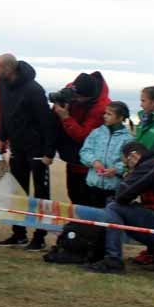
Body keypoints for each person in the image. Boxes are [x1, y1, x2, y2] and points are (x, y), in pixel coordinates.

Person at [87, 142, 154, 274]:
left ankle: (113, 260)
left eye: (126, 164)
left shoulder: (150, 167)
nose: (126, 167)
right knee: (121, 207)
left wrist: (128, 176)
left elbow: (122, 195)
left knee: (113, 207)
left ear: (133, 156)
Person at [0, 53, 55, 250]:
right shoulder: (3, 86)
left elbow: (47, 122)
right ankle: (18, 234)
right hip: (17, 148)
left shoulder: (34, 90)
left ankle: (40, 236)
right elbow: (5, 115)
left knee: (40, 194)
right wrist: (2, 138)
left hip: (37, 150)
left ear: (9, 69)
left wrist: (49, 153)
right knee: (17, 191)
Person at [52, 71, 111, 206]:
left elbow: (84, 136)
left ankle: (87, 226)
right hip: (71, 155)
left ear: (89, 97)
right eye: (74, 95)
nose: (75, 100)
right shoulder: (73, 89)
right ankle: (78, 224)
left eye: (79, 98)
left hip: (89, 162)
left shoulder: (101, 107)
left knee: (86, 198)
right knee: (73, 193)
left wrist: (65, 117)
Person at [78, 101, 134, 207]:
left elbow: (130, 161)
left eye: (109, 114)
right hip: (92, 186)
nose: (105, 116)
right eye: (105, 113)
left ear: (120, 117)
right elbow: (85, 151)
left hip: (113, 189)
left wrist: (116, 169)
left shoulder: (128, 139)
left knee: (108, 219)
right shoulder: (96, 133)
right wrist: (94, 161)